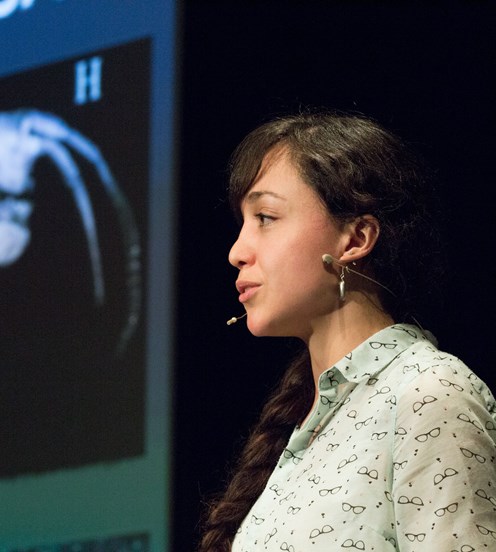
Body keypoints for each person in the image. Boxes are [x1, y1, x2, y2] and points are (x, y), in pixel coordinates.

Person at [199, 112, 496, 551]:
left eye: (265, 217)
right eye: (242, 223)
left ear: (355, 238)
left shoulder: (428, 394)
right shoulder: (302, 422)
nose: (237, 252)